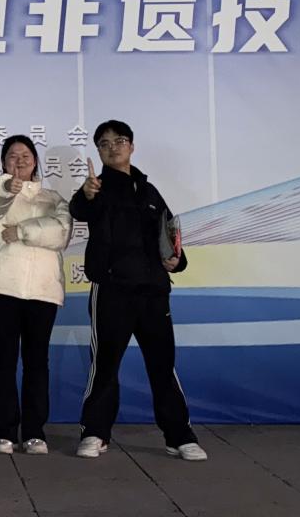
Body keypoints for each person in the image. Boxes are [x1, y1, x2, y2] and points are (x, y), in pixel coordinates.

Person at [68, 120, 207, 461]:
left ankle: (179, 436)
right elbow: (79, 209)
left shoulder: (149, 191)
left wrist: (177, 260)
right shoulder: (96, 188)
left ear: (131, 146)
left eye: (119, 141)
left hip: (153, 292)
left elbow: (170, 235)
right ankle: (95, 433)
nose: (112, 147)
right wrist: (86, 193)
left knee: (163, 366)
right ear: (98, 151)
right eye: (104, 143)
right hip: (112, 291)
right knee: (104, 365)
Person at [0, 135, 72, 455]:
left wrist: (23, 231)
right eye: (12, 155)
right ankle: (4, 431)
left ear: (35, 161)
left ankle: (35, 431)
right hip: (0, 286)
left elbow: (61, 232)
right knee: (3, 360)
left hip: (42, 290)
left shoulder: (53, 198)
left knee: (37, 362)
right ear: (3, 163)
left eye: (25, 155)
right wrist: (5, 187)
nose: (19, 160)